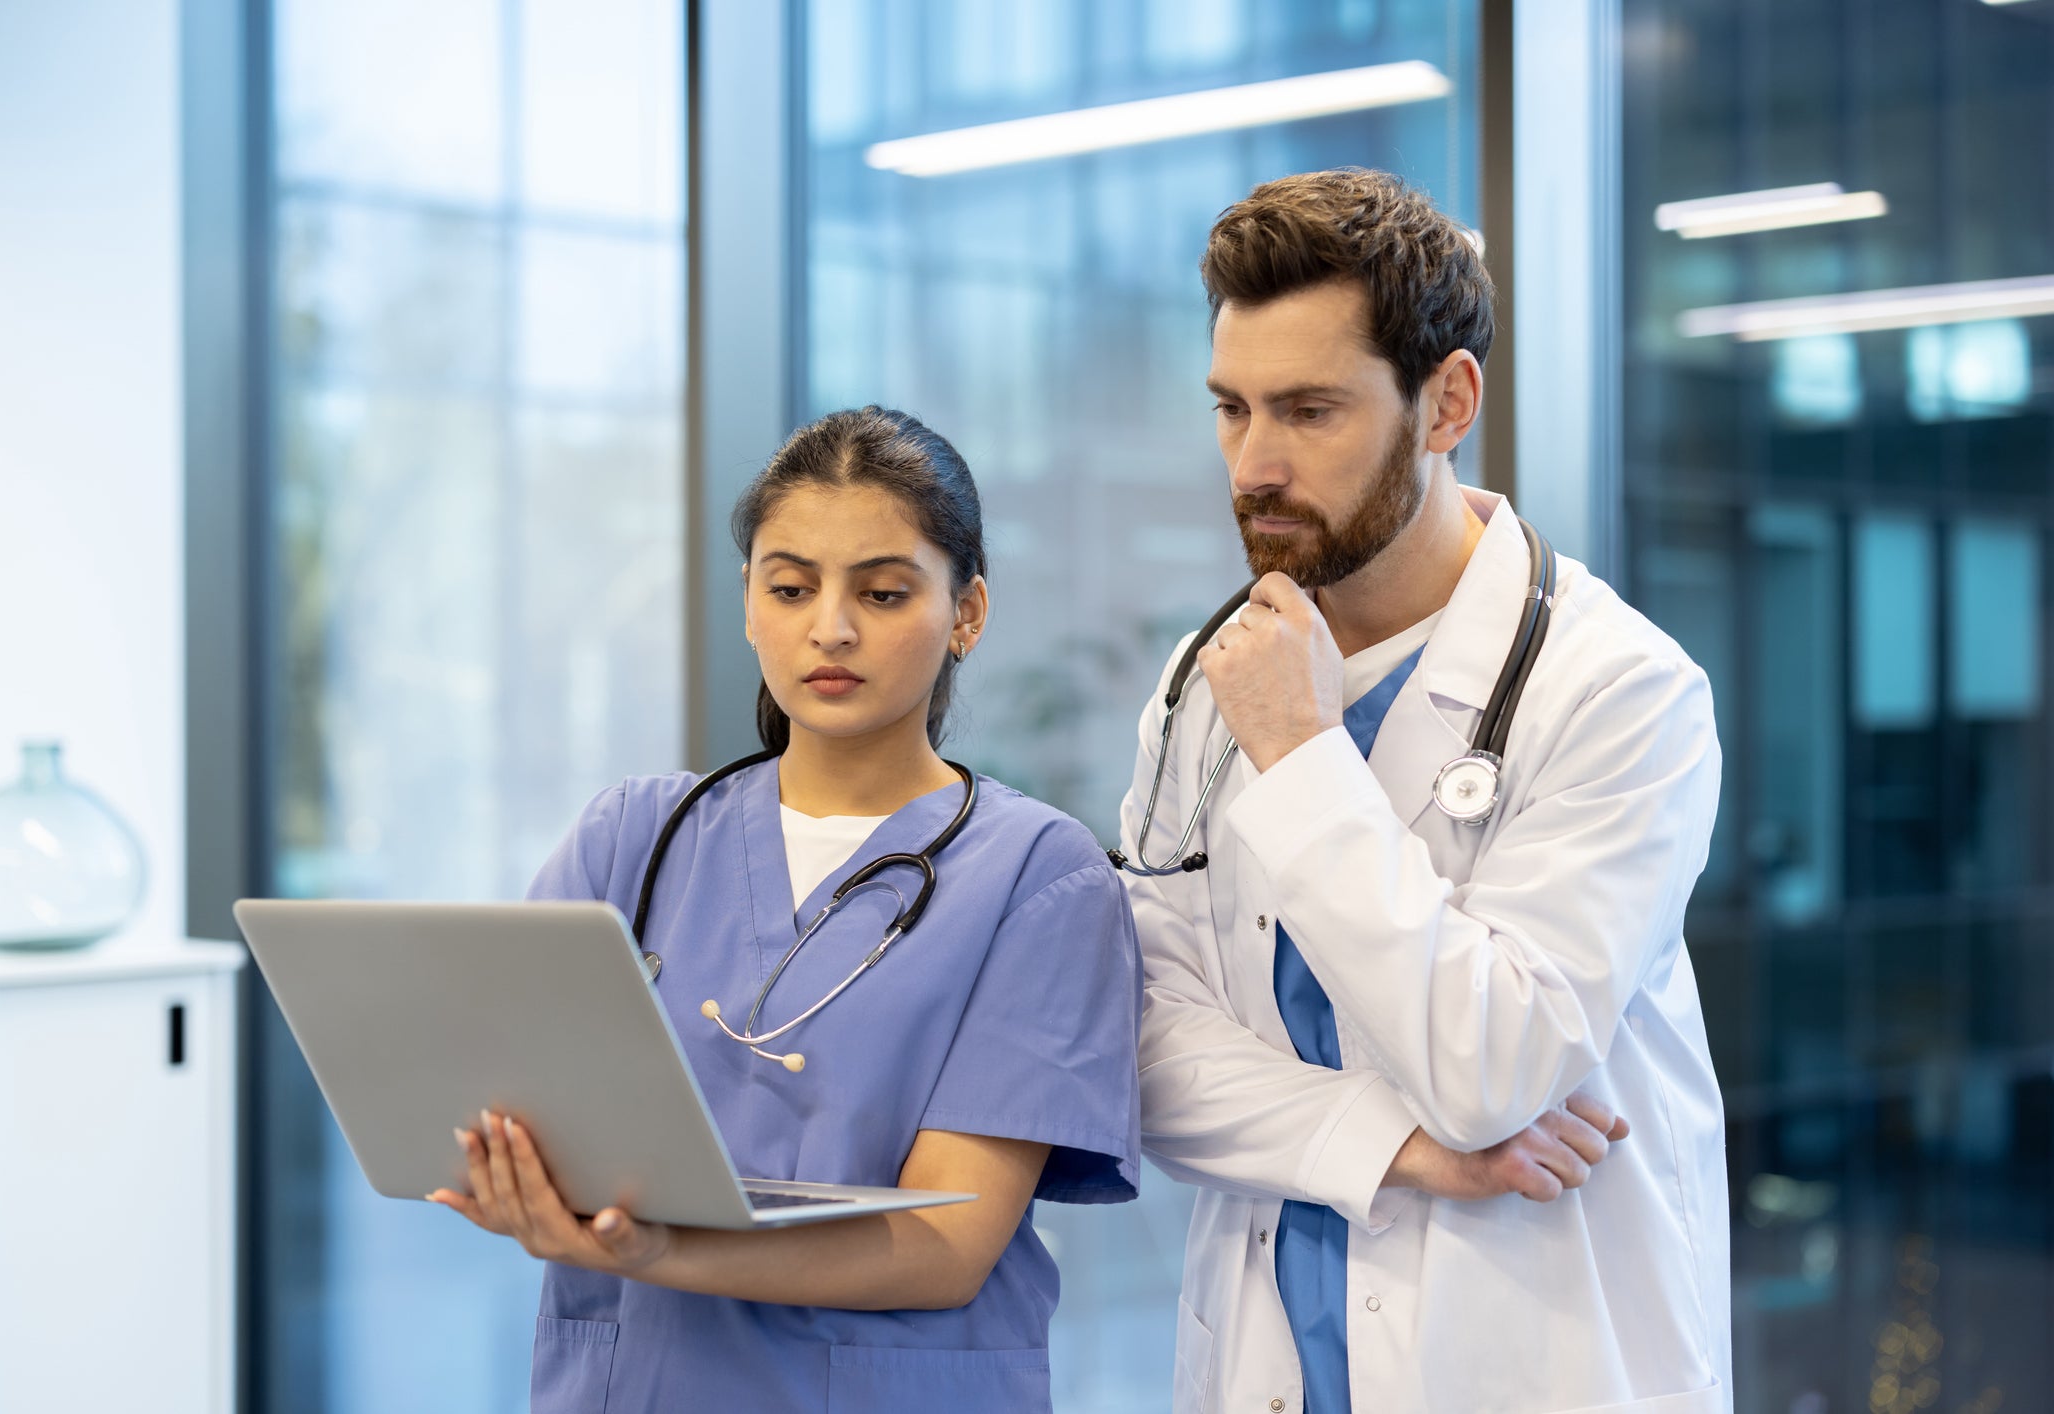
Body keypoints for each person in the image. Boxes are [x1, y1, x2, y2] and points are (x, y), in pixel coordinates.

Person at [1125, 169, 1730, 1413]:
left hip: (1529, 1357)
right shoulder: (1201, 686)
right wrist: (1395, 1148)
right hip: (1267, 1362)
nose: (1254, 465)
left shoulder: (1619, 692)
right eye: (1230, 410)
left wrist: (1299, 753)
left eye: (1308, 411)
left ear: (1446, 400)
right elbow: (1140, 1051)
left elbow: (1492, 1061)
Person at [428, 406, 1142, 1413]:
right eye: (792, 586)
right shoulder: (631, 838)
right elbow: (491, 1098)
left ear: (966, 614)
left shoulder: (1037, 875)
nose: (830, 628)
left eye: (883, 591)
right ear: (751, 605)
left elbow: (945, 1247)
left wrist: (665, 1246)